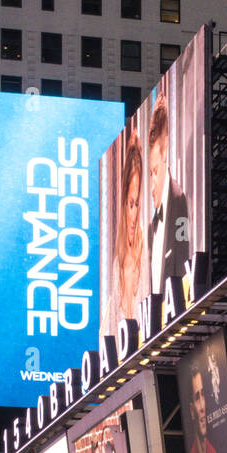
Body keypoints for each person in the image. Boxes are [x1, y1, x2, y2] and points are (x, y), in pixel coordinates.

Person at [102, 133, 149, 338]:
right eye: (130, 204)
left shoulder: (146, 251)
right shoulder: (116, 264)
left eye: (137, 203)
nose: (134, 213)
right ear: (123, 205)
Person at [148, 93, 189, 296]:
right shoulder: (150, 227)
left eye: (155, 172)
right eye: (150, 173)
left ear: (165, 157)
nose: (151, 184)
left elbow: (182, 259)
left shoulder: (178, 199)